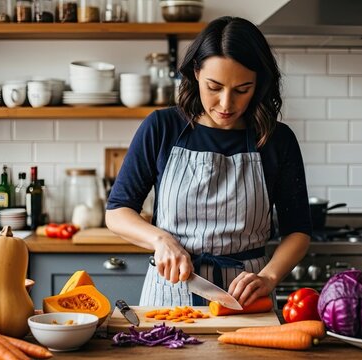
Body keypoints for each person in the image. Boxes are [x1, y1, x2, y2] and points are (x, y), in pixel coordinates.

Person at [105, 16, 311, 308]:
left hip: (246, 300)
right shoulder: (162, 128)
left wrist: (268, 278)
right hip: (169, 294)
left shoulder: (277, 139)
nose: (227, 104)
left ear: (259, 84)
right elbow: (117, 212)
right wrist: (160, 240)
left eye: (242, 90)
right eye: (214, 87)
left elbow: (299, 231)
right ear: (196, 73)